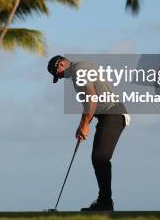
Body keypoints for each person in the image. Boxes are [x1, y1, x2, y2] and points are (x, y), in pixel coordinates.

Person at [47, 55, 129, 211]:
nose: (60, 77)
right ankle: (104, 202)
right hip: (107, 116)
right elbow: (89, 105)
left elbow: (92, 99)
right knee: (98, 157)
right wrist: (83, 126)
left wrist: (84, 125)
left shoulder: (78, 70)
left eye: (58, 74)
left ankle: (105, 203)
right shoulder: (79, 70)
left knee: (100, 157)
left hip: (113, 113)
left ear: (62, 63)